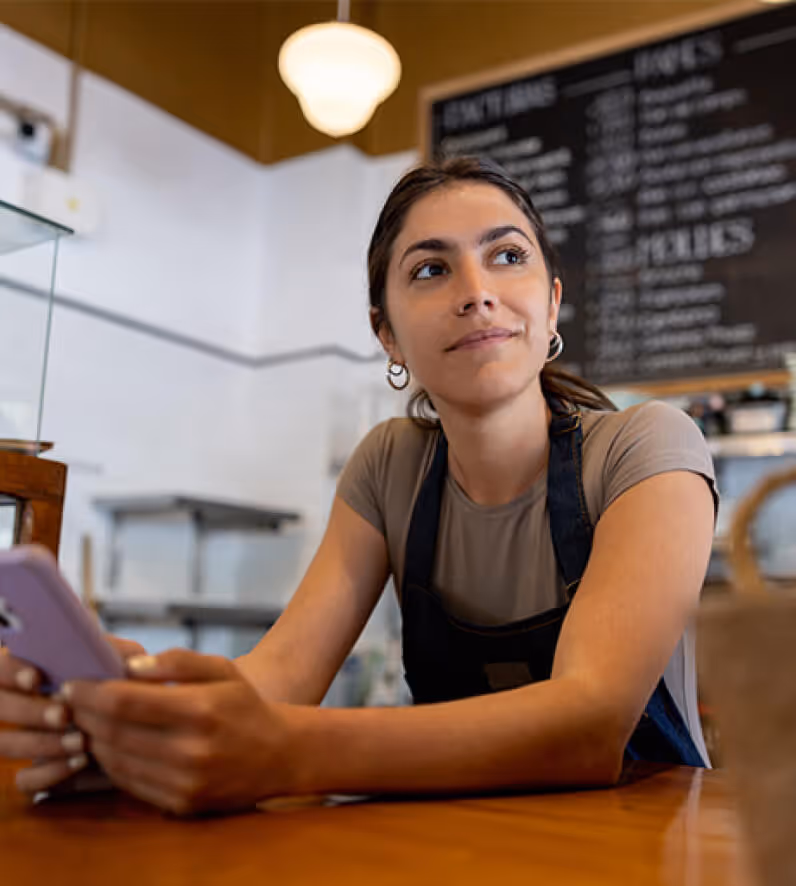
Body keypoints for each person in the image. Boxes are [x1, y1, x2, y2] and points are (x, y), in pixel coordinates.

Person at [0, 157, 717, 815]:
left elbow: (588, 726)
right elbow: (277, 677)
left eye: (506, 257)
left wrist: (282, 750)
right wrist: (137, 705)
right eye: (431, 271)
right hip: (446, 844)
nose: (477, 294)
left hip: (640, 841)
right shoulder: (389, 464)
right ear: (387, 336)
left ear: (551, 303)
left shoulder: (647, 447)